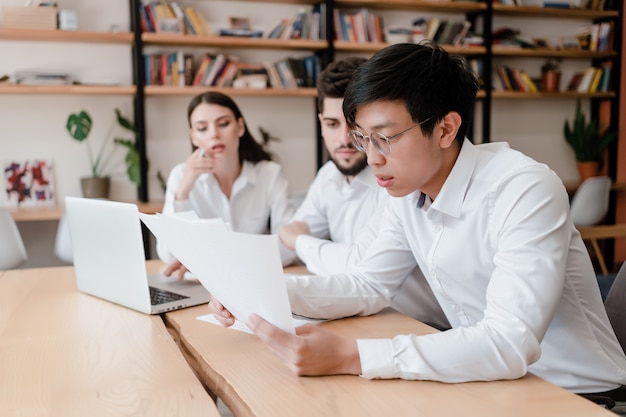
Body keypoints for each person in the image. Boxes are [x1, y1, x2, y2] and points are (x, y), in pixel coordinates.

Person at [210, 42, 626, 395]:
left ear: (445, 129)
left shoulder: (524, 188)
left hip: (578, 393)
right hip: (492, 381)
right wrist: (259, 290)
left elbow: (508, 340)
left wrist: (351, 355)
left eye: (385, 138)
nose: (371, 157)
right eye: (363, 138)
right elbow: (368, 283)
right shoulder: (406, 191)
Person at [279, 57, 448, 329]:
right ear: (321, 123)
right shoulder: (329, 176)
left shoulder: (399, 181)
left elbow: (358, 268)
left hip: (422, 325)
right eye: (333, 125)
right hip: (373, 316)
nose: (345, 139)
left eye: (354, 126)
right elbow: (287, 238)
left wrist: (300, 242)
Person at [158, 91, 295, 279]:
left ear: (240, 127)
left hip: (255, 281)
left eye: (223, 124)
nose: (214, 134)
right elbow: (168, 254)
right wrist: (183, 192)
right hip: (201, 285)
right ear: (193, 137)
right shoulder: (180, 176)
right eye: (202, 128)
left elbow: (289, 247)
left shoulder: (269, 174)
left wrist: (208, 261)